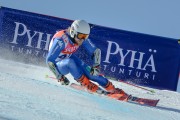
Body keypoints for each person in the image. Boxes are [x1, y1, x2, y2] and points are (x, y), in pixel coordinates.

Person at [46, 20, 128, 99]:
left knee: (90, 72)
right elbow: (49, 61)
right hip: (58, 66)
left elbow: (96, 51)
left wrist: (96, 66)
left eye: (85, 36)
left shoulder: (80, 37)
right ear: (73, 32)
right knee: (70, 62)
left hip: (68, 57)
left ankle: (112, 88)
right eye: (81, 36)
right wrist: (59, 76)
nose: (82, 39)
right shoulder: (61, 40)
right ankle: (86, 84)